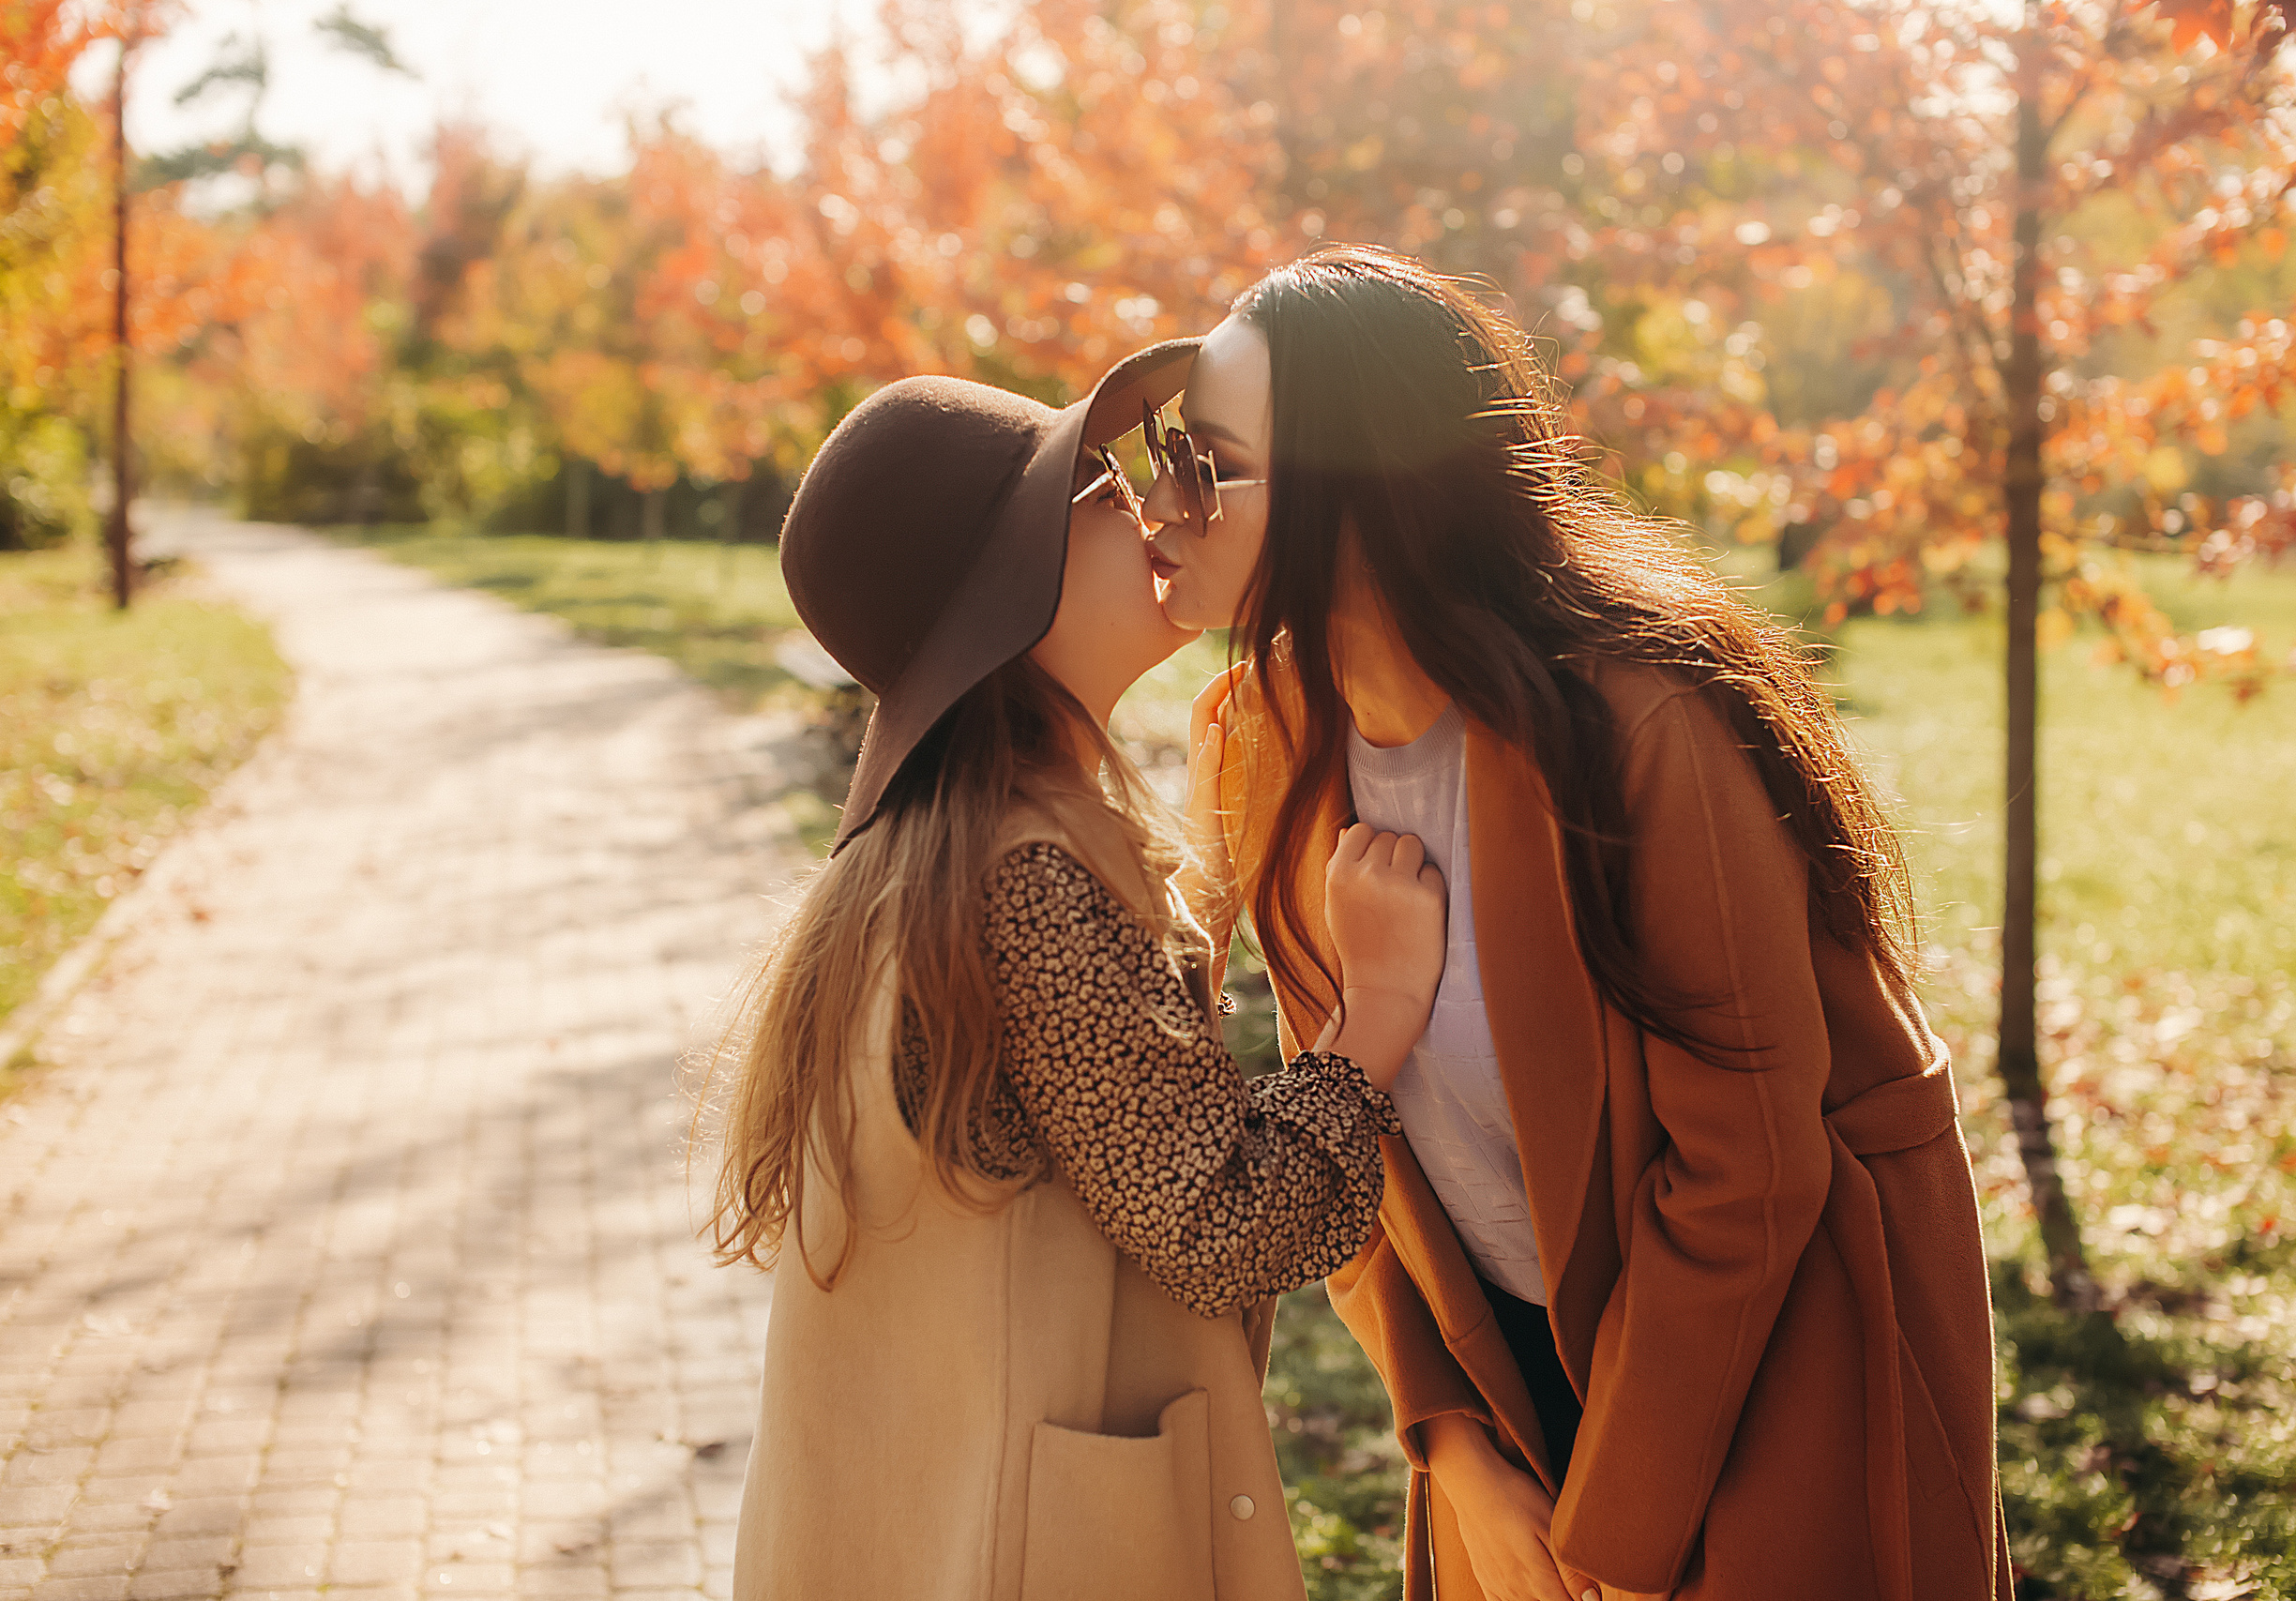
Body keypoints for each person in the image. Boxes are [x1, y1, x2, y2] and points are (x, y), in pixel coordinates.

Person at [1151, 245, 2011, 1601]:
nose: (1163, 503)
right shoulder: (1259, 738)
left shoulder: (1641, 730)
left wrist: (1616, 1527)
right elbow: (1344, 1122)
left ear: (1360, 495)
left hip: (1767, 1376)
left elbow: (1749, 1171)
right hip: (1504, 1397)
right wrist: (1449, 1451)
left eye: (1210, 463)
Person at [702, 341, 1453, 1601]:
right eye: (1101, 496)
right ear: (1007, 588)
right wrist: (1372, 1015)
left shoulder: (945, 852)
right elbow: (1215, 1224)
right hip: (1032, 1550)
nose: (1157, 510)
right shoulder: (1025, 879)